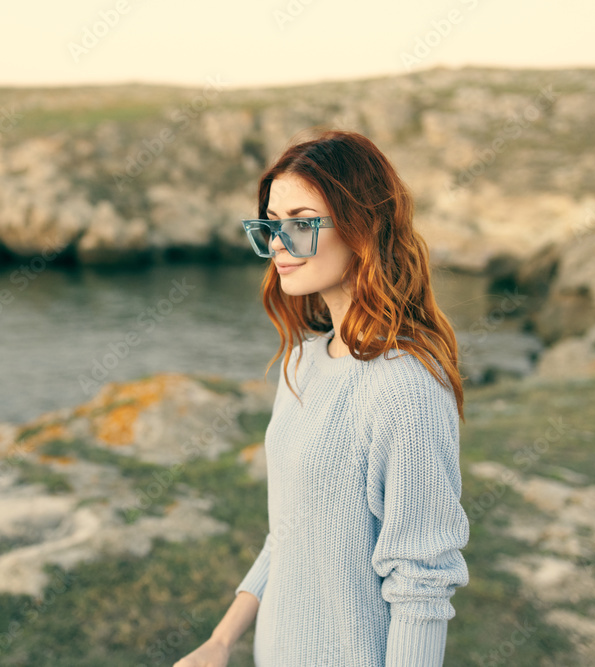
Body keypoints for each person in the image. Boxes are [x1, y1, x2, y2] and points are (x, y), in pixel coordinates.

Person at [173, 129, 469, 666]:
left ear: (361, 228)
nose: (279, 244)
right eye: (271, 225)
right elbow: (288, 533)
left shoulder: (407, 387)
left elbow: (422, 584)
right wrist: (221, 640)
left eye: (302, 223)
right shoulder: (301, 363)